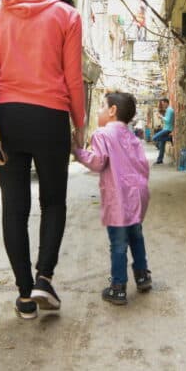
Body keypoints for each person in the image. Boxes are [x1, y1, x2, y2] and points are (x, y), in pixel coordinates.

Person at [0, 0, 85, 319]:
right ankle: (44, 278)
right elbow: (73, 78)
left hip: (6, 117)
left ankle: (24, 296)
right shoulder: (67, 16)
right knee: (53, 202)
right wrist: (79, 123)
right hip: (51, 117)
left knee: (14, 207)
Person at [73, 91, 152, 306]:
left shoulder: (102, 134)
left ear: (112, 111)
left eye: (101, 106)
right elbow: (144, 167)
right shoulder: (133, 137)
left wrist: (78, 152)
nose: (98, 111)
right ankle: (143, 276)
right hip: (138, 195)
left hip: (118, 198)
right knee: (136, 236)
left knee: (118, 243)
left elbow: (98, 162)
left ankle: (118, 287)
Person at [152, 97, 174, 164]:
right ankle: (159, 160)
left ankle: (170, 138)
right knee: (162, 145)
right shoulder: (167, 110)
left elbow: (168, 120)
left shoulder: (170, 110)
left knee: (154, 137)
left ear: (166, 102)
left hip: (168, 129)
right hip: (165, 128)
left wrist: (161, 116)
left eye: (163, 103)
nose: (162, 105)